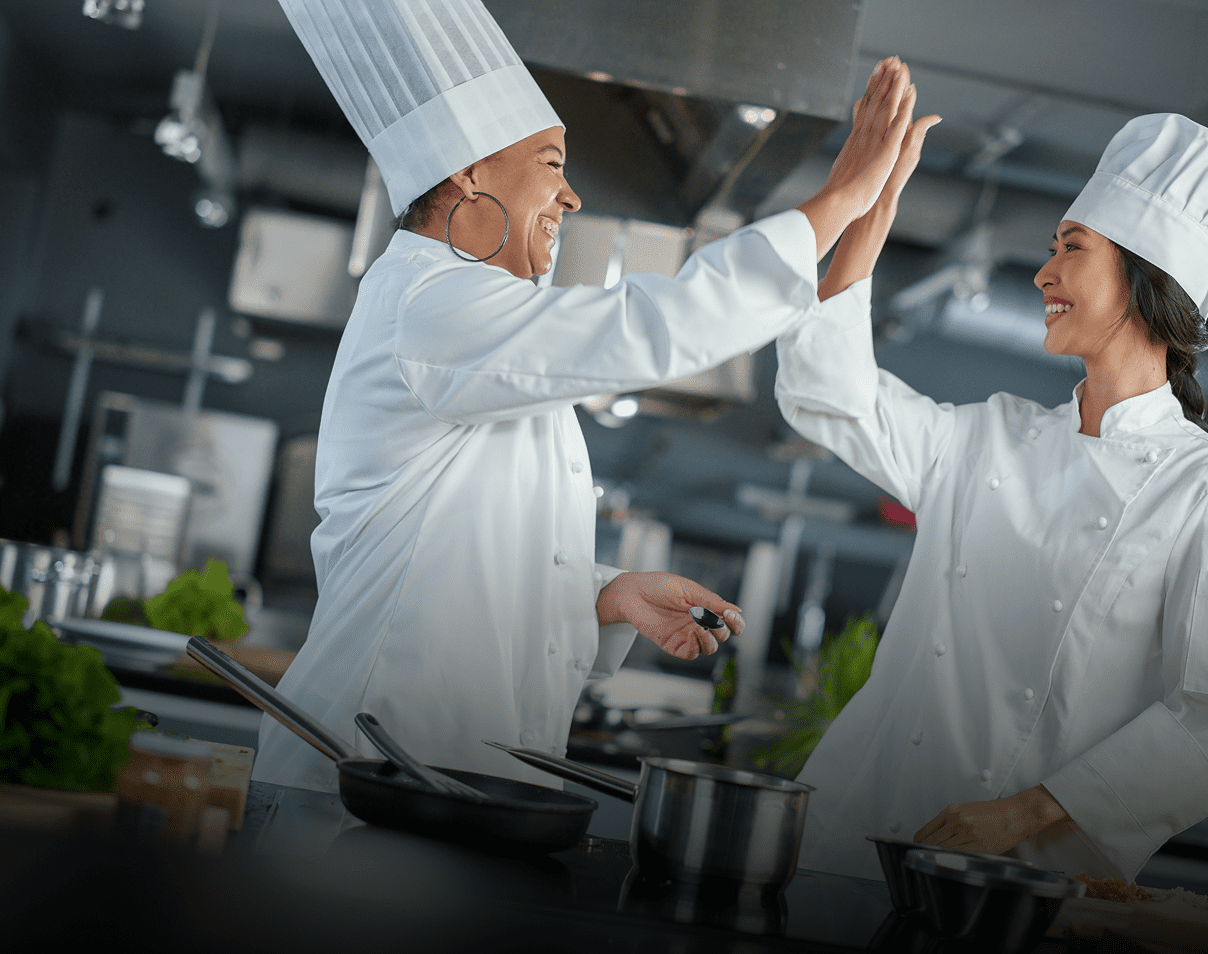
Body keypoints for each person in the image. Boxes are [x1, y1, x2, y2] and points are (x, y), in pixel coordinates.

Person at [255, 0, 924, 795]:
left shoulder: (469, 323)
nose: (570, 199)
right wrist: (838, 199)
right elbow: (651, 328)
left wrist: (605, 595)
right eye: (550, 163)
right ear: (468, 172)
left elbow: (459, 558)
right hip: (365, 780)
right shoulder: (428, 307)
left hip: (440, 779)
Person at [775, 74, 1208, 882]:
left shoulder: (1200, 487)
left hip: (1016, 873)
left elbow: (1205, 719)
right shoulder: (987, 440)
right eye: (1051, 249)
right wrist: (871, 207)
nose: (1043, 275)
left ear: (1149, 280)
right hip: (851, 833)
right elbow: (827, 391)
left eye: (1071, 248)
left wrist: (1021, 813)